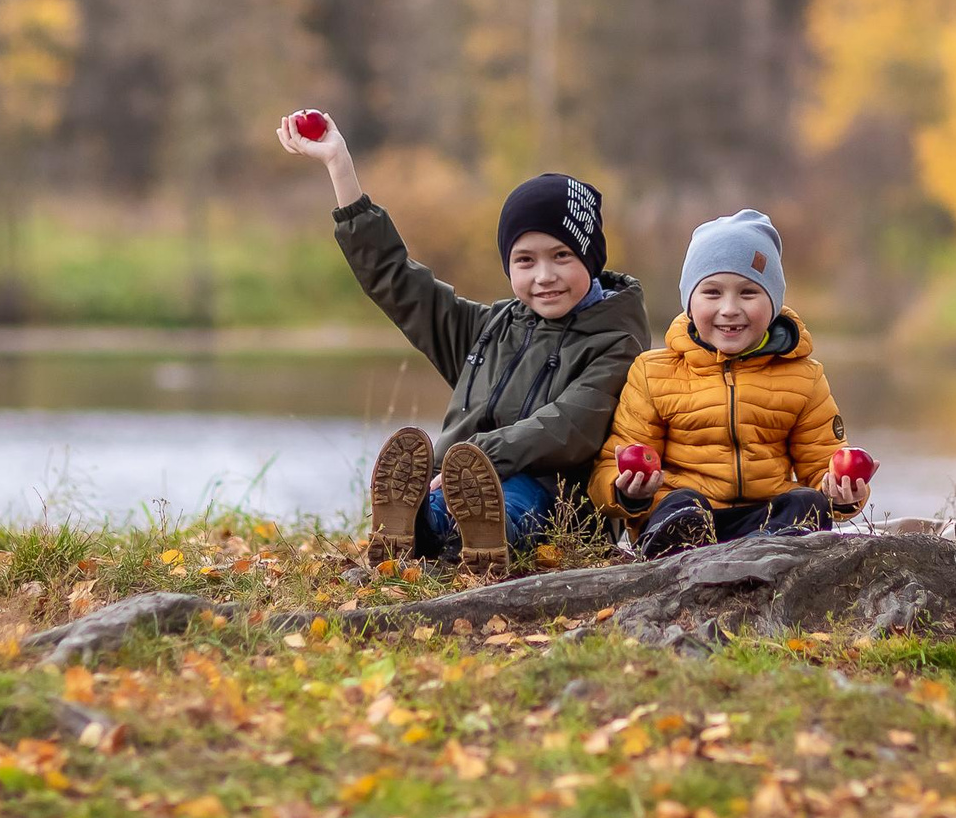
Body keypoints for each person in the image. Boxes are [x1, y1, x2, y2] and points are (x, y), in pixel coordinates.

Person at [279, 111, 647, 572]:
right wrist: (339, 166)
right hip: (456, 482)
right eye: (525, 260)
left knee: (512, 501)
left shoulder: (617, 342)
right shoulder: (491, 328)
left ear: (590, 259)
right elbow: (398, 283)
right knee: (434, 508)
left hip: (556, 502)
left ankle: (481, 539)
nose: (544, 276)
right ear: (508, 266)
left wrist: (474, 458)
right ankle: (410, 530)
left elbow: (569, 426)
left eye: (562, 256)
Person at [590, 208, 868, 556]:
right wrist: (628, 491)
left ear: (774, 303)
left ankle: (761, 553)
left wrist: (842, 494)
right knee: (682, 504)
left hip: (763, 518)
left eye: (749, 293)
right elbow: (606, 469)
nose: (730, 308)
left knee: (806, 503)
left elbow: (822, 463)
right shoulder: (652, 371)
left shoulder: (803, 377)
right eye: (712, 292)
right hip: (685, 516)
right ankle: (685, 552)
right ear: (689, 302)